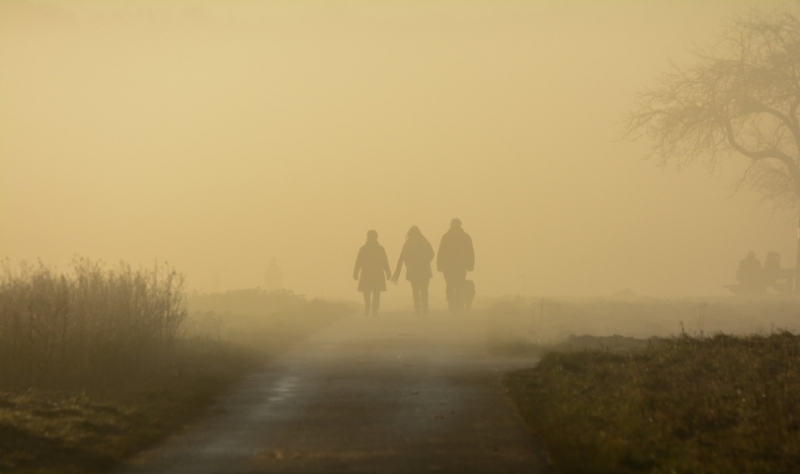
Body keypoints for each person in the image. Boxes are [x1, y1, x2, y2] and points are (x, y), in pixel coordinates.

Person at [391, 226, 435, 315]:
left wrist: (408, 263)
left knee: (415, 289)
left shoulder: (408, 243)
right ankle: (425, 307)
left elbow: (403, 257)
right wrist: (426, 261)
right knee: (424, 289)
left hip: (413, 270)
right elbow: (432, 253)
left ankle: (418, 308)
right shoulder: (424, 241)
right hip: (424, 269)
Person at [437, 218, 474, 313]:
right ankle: (457, 304)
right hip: (461, 266)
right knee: (459, 286)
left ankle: (451, 304)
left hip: (448, 267)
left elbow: (441, 252)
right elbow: (470, 252)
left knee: (450, 285)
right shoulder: (466, 237)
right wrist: (470, 265)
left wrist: (440, 266)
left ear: (451, 225)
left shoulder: (446, 236)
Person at [353, 230, 392, 316]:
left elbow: (358, 262)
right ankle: (373, 309)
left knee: (369, 292)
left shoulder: (365, 249)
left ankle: (370, 308)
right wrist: (388, 272)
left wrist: (356, 273)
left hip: (367, 274)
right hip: (376, 274)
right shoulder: (379, 249)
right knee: (375, 292)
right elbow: (385, 262)